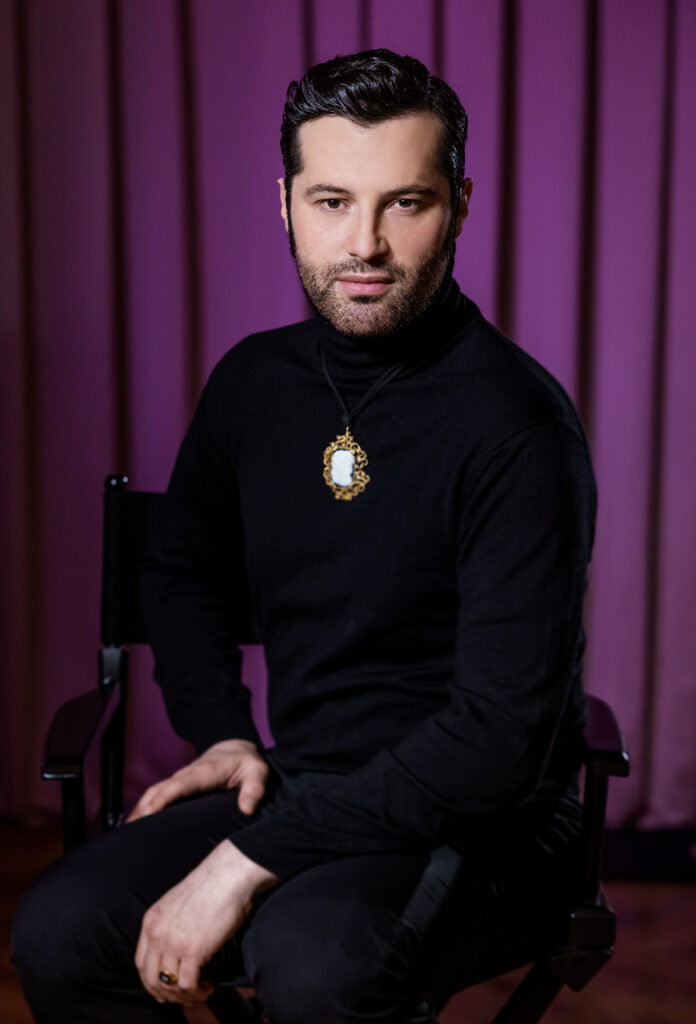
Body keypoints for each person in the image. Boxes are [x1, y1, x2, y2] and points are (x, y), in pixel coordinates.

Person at [12, 49, 596, 1023]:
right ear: (285, 204)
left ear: (459, 204)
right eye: (331, 201)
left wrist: (247, 858)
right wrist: (223, 730)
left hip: (491, 821)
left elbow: (495, 742)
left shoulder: (518, 425)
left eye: (405, 203)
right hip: (307, 781)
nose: (364, 243)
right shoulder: (254, 384)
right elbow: (181, 569)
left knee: (321, 965)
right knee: (60, 928)